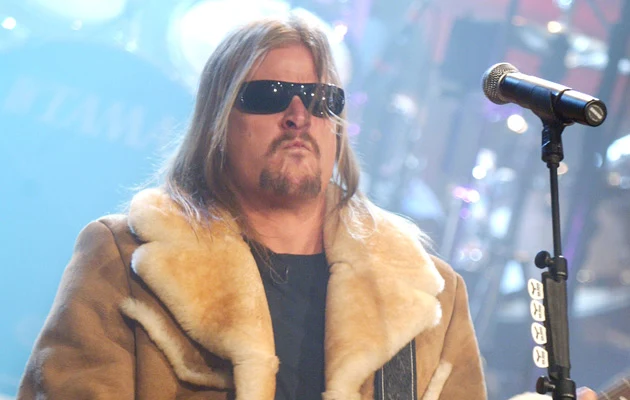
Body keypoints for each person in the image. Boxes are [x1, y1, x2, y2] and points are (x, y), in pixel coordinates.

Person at [16, 14, 597, 400]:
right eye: (270, 95)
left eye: (322, 99)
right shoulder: (124, 259)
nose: (299, 115)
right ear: (217, 121)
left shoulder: (429, 295)